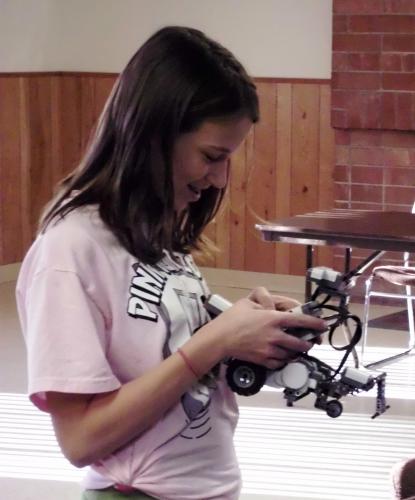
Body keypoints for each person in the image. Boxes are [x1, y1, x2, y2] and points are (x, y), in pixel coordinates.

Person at [16, 26, 326, 500]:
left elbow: (159, 357)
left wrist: (235, 326)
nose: (221, 178)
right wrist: (213, 343)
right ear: (154, 133)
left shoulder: (153, 233)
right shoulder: (69, 250)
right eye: (211, 155)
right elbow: (81, 440)